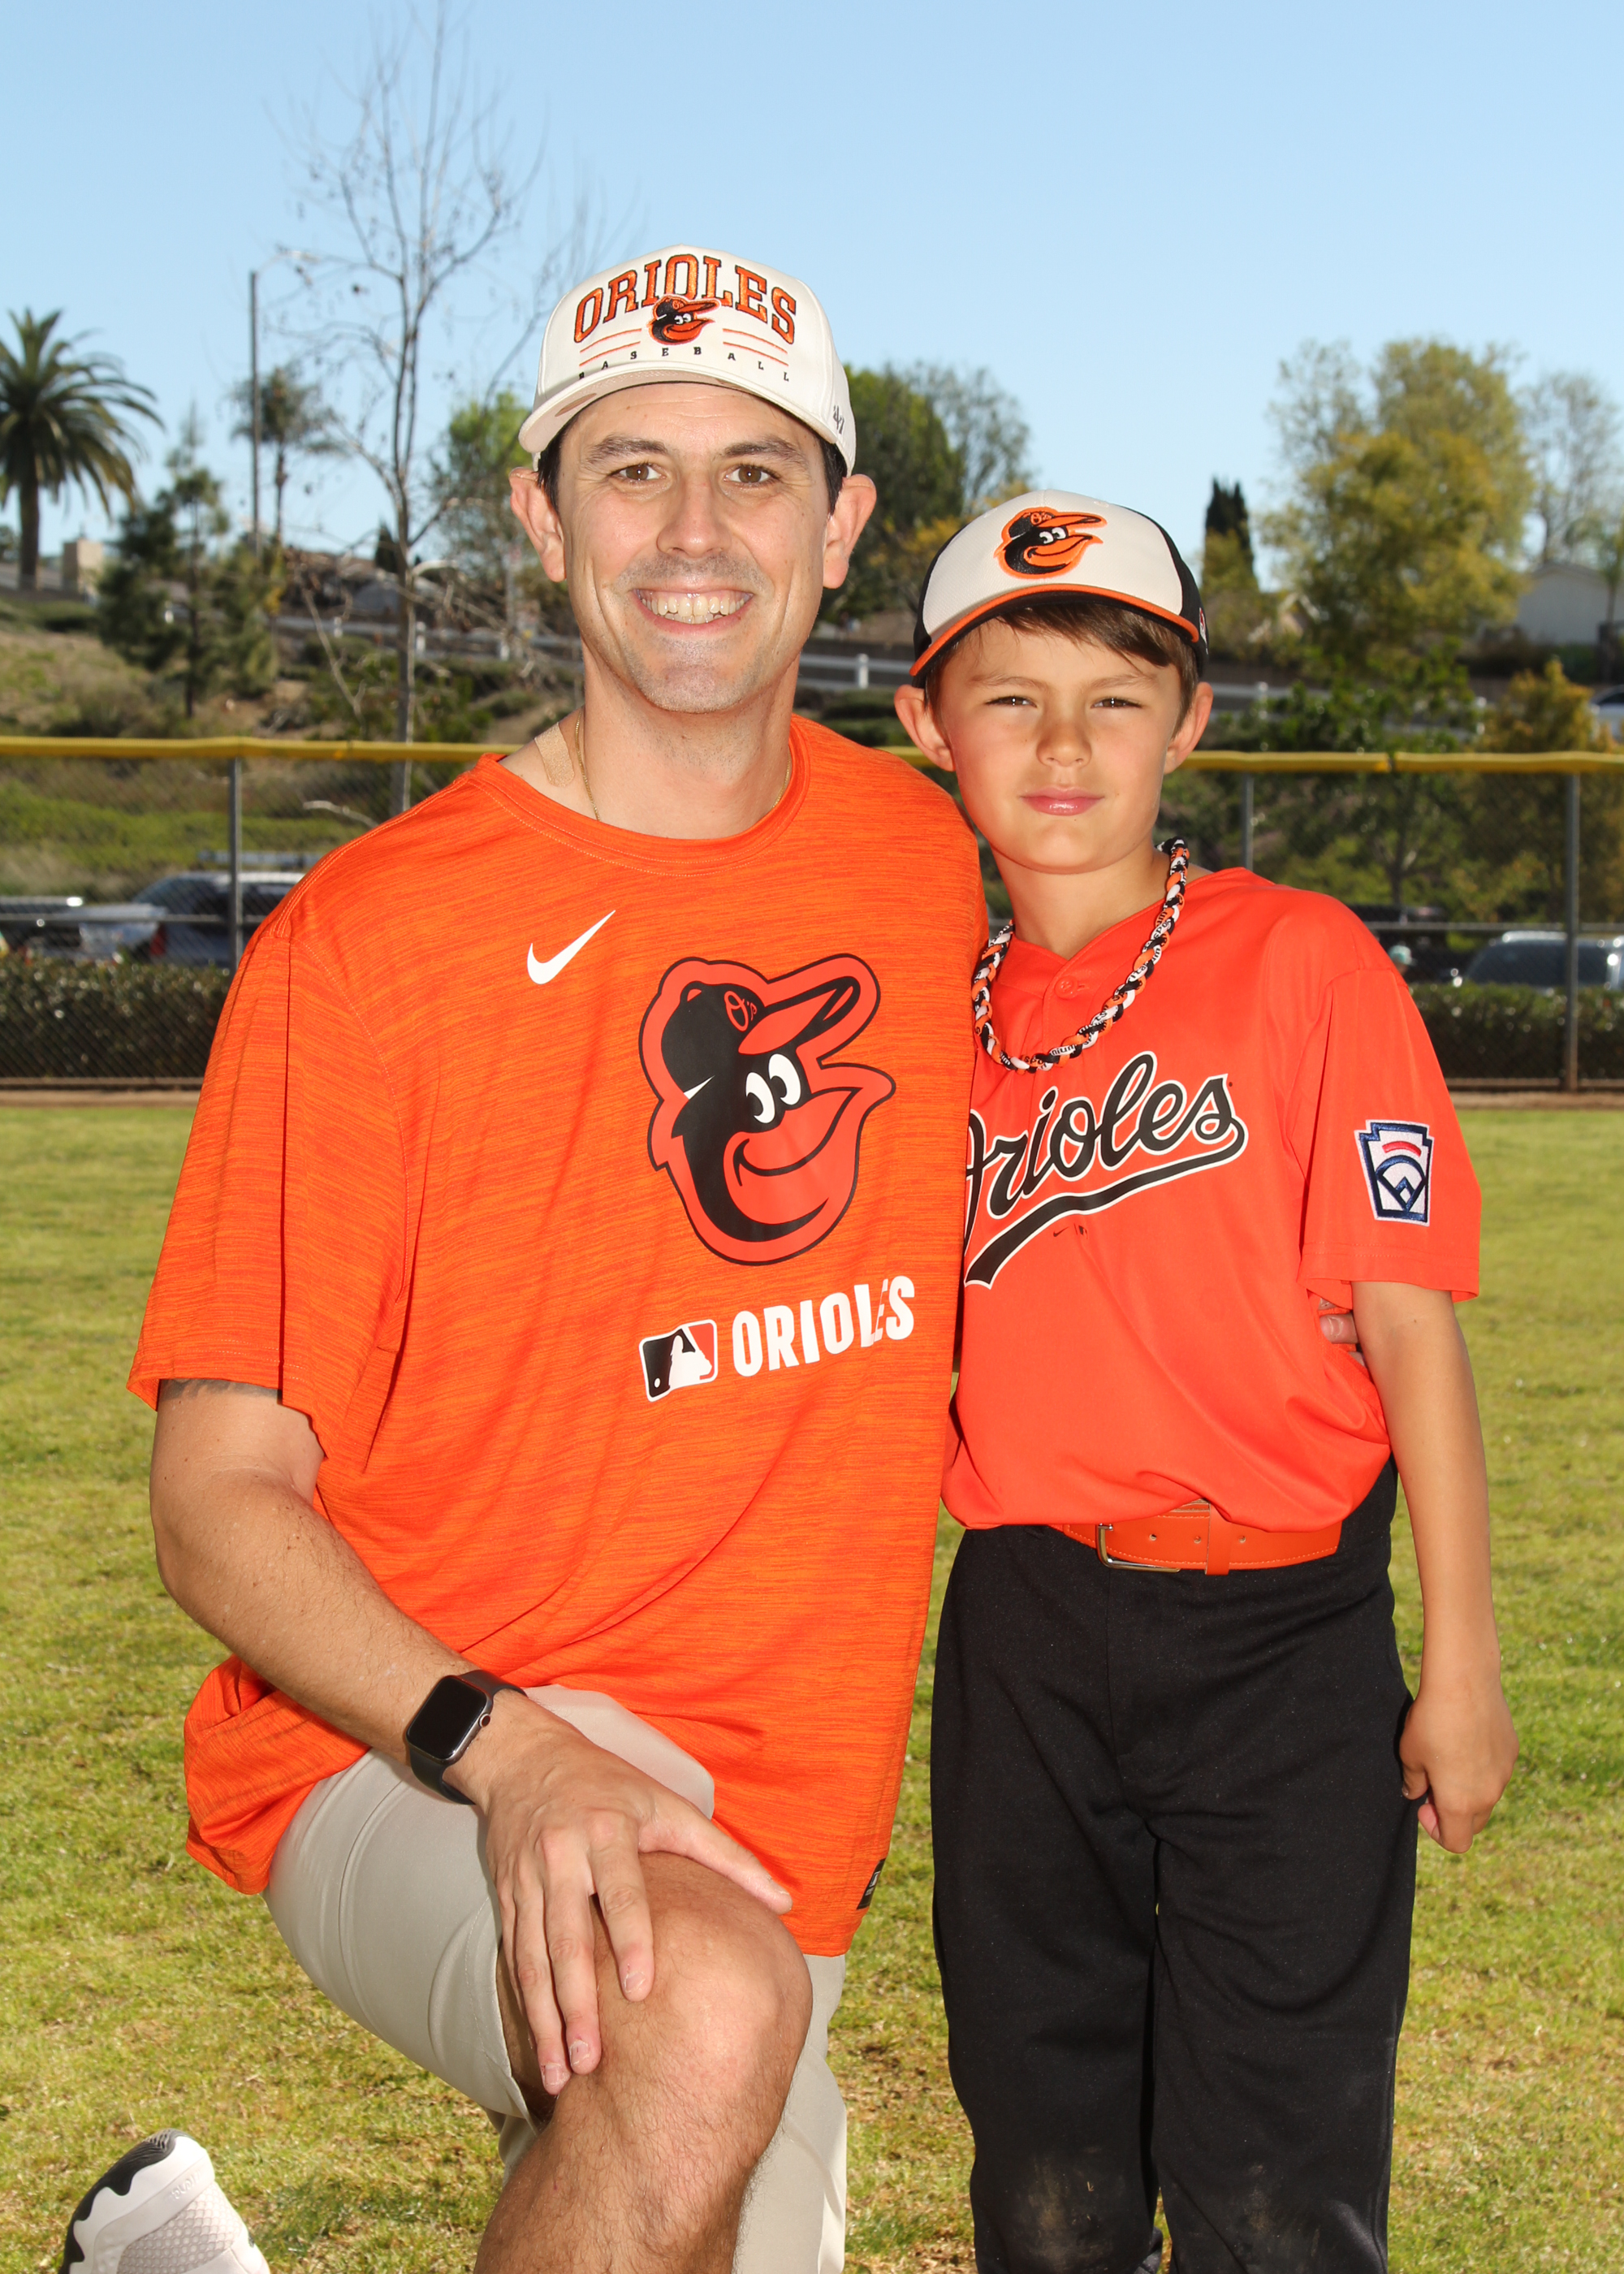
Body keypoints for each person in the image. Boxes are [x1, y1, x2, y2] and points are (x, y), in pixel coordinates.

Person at [70, 245, 991, 2274]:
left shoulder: (933, 863)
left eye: (755, 471)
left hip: (786, 1811)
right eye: (631, 468)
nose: (693, 531)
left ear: (843, 524)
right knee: (701, 2017)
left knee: (698, 2099)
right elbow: (217, 1494)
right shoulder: (371, 941)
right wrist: (509, 1751)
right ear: (540, 515)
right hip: (416, 1733)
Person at [893, 493, 1519, 2274]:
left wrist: (1462, 1665)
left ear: (1189, 722)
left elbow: (1410, 1326)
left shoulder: (1301, 958)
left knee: (1276, 2189)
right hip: (1026, 1629)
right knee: (1044, 2168)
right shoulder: (919, 1013)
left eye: (1115, 697)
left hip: (1284, 1642)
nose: (1063, 746)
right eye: (1009, 698)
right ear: (929, 725)